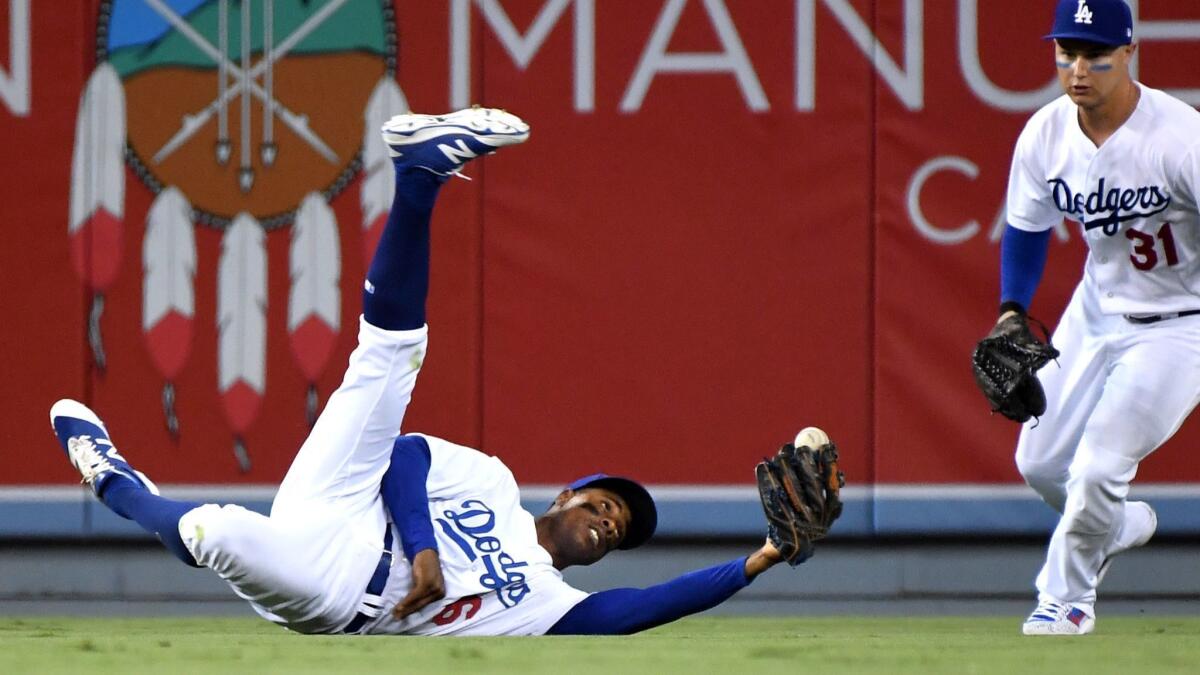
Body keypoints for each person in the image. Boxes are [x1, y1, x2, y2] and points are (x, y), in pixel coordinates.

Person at [49, 107, 796, 636]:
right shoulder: (494, 483)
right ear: (568, 492)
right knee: (389, 358)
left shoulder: (546, 604)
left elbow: (645, 607)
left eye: (618, 529)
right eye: (604, 504)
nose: (606, 523)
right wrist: (426, 549)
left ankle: (112, 479)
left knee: (215, 529)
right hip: (342, 501)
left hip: (334, 590)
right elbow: (403, 457)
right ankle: (419, 173)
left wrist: (759, 558)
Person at [989, 0, 1200, 636]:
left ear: (1129, 53)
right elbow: (1026, 231)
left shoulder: (1179, 138)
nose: (1078, 68)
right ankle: (1119, 525)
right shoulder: (1046, 134)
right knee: (1041, 464)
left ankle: (1066, 599)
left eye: (1095, 54)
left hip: (1180, 323)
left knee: (1100, 464)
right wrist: (1011, 312)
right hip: (1097, 308)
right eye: (1067, 52)